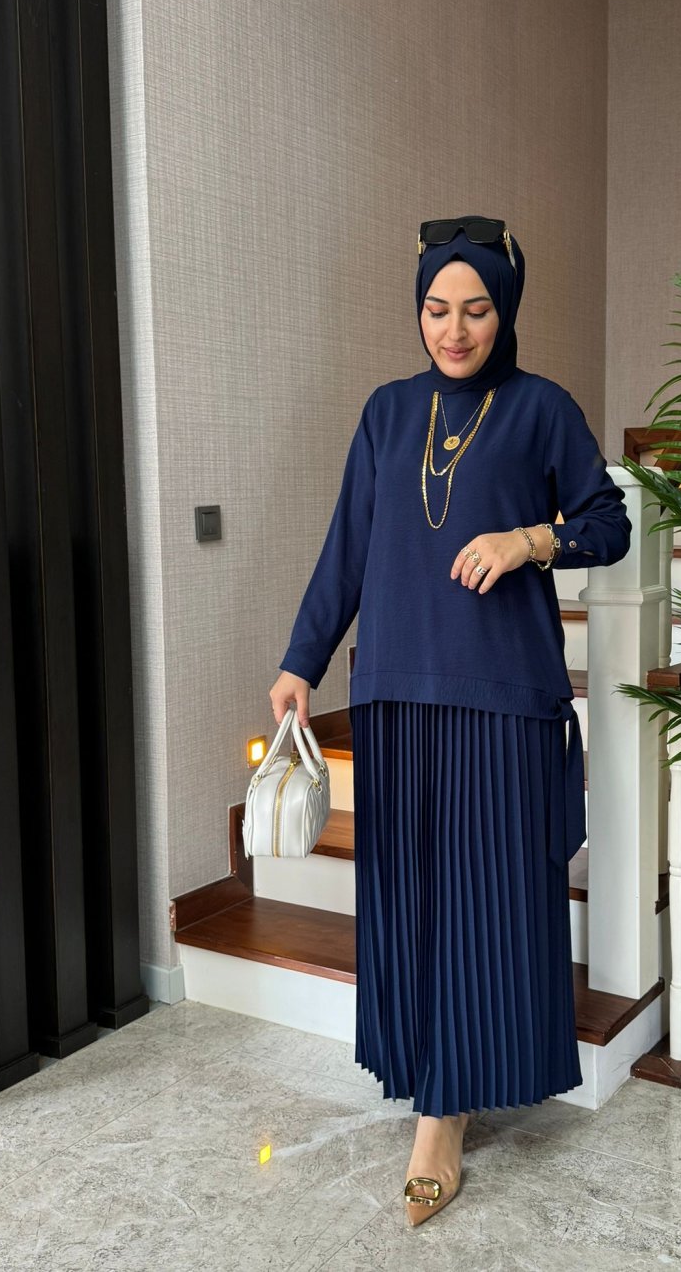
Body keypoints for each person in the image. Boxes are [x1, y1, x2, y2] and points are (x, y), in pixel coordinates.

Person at [270, 216, 631, 1226]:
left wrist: (528, 540)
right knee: (414, 900)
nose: (454, 329)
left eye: (475, 309)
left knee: (487, 903)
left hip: (500, 695)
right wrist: (300, 661)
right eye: (436, 308)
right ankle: (431, 1068)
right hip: (394, 690)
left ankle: (444, 1114)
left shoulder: (542, 409)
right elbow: (348, 547)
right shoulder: (388, 413)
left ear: (504, 311)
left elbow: (608, 522)